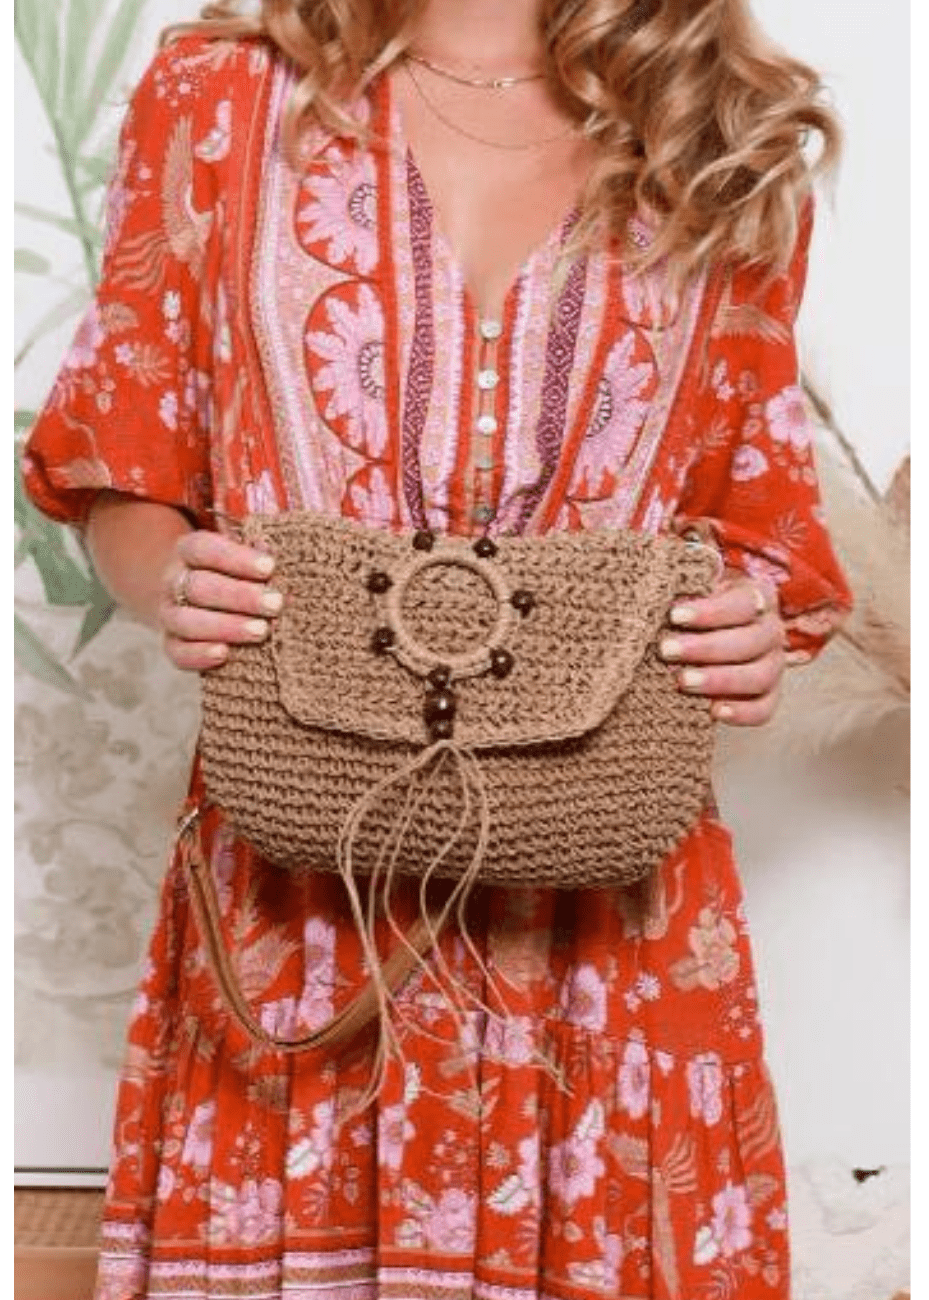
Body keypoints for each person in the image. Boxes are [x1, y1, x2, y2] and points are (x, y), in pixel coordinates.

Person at [23, 0, 853, 1296]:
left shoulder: (723, 135)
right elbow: (124, 446)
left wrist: (751, 622)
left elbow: (761, 522)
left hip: (609, 931)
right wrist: (169, 573)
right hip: (293, 911)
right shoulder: (221, 95)